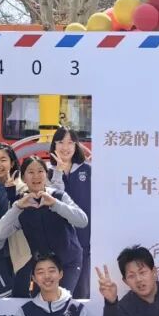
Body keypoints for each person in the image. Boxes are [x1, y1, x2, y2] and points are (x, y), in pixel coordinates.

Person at [0, 155, 87, 296]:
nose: (36, 176)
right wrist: (18, 207)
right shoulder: (21, 203)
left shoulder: (59, 196)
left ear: (46, 175)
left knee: (60, 299)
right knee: (41, 303)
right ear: (23, 178)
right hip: (41, 266)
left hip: (68, 261)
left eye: (40, 171)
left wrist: (55, 204)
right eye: (30, 172)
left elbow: (82, 221)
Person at [49, 126, 92, 299]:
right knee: (57, 292)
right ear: (54, 145)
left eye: (70, 142)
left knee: (82, 292)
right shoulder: (47, 172)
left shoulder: (88, 170)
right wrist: (57, 173)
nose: (65, 147)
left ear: (76, 146)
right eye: (60, 142)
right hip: (58, 242)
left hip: (84, 240)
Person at [0, 143, 32, 273]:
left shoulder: (23, 187)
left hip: (15, 249)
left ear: (12, 163)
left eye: (3, 160)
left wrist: (12, 193)